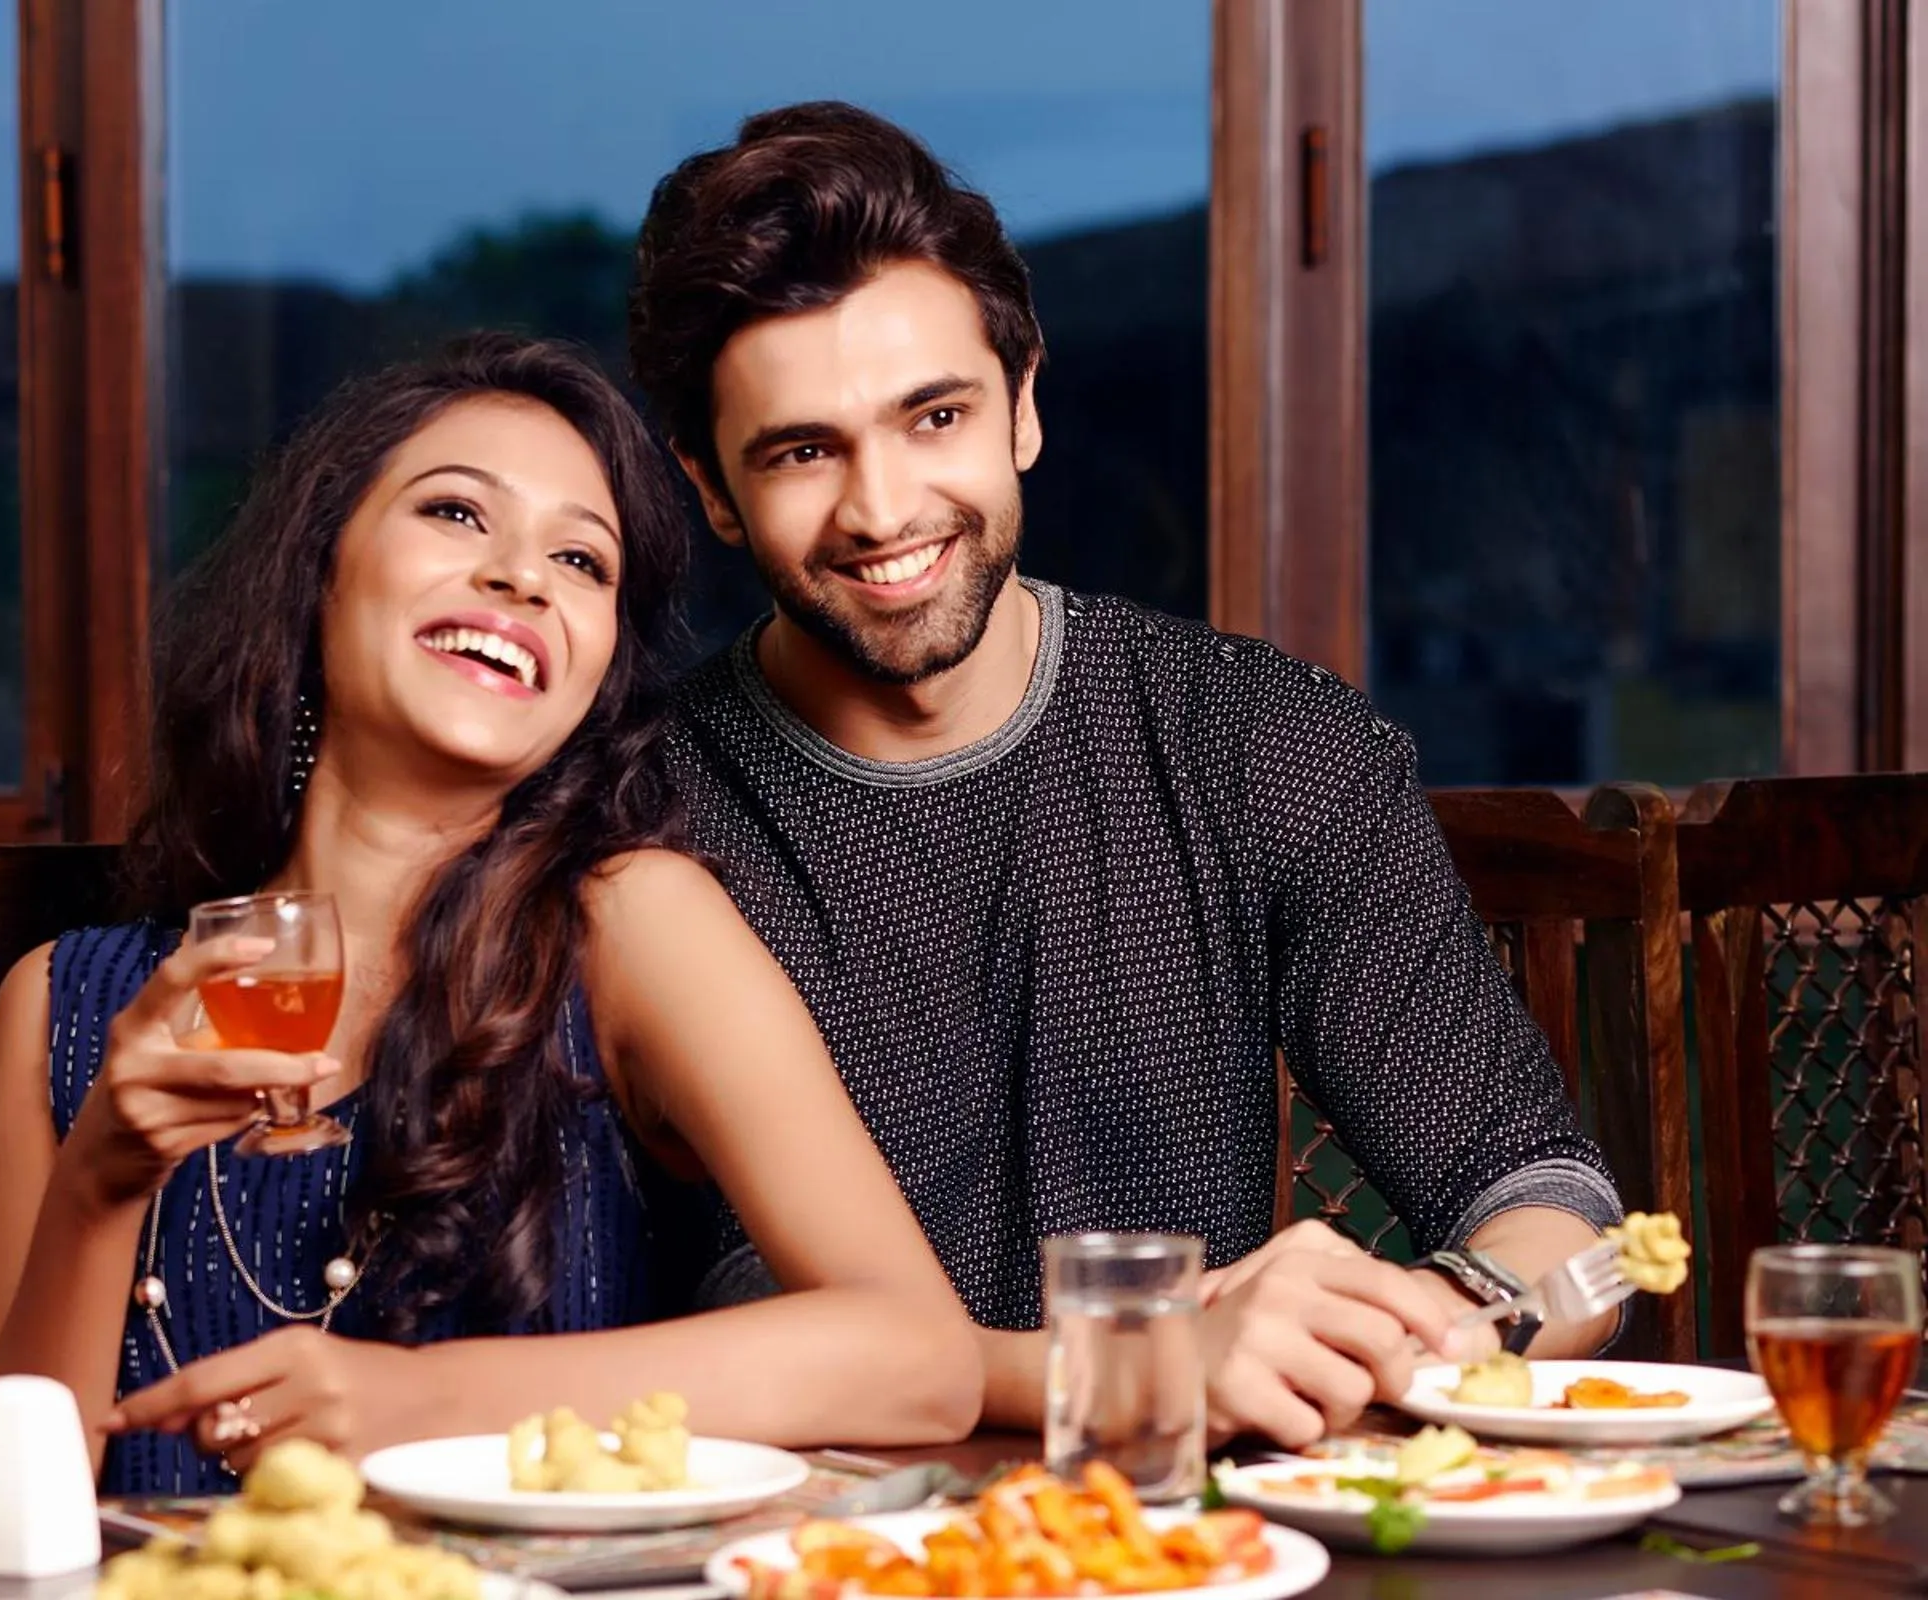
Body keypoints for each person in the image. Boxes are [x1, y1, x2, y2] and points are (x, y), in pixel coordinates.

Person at [625, 102, 1627, 1448]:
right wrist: (1146, 1360)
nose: (882, 510)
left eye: (935, 417)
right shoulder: (635, 812)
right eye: (804, 451)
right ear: (710, 488)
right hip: (788, 1539)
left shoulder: (1261, 742)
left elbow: (1566, 1212)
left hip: (1192, 1538)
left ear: (1025, 404)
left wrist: (1438, 1323)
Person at [0, 333, 980, 1493]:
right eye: (455, 514)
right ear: (318, 568)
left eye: (583, 561)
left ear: (594, 672)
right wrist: (102, 1181)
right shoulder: (64, 1002)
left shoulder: (626, 928)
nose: (524, 576)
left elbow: (917, 1359)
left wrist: (420, 1402)